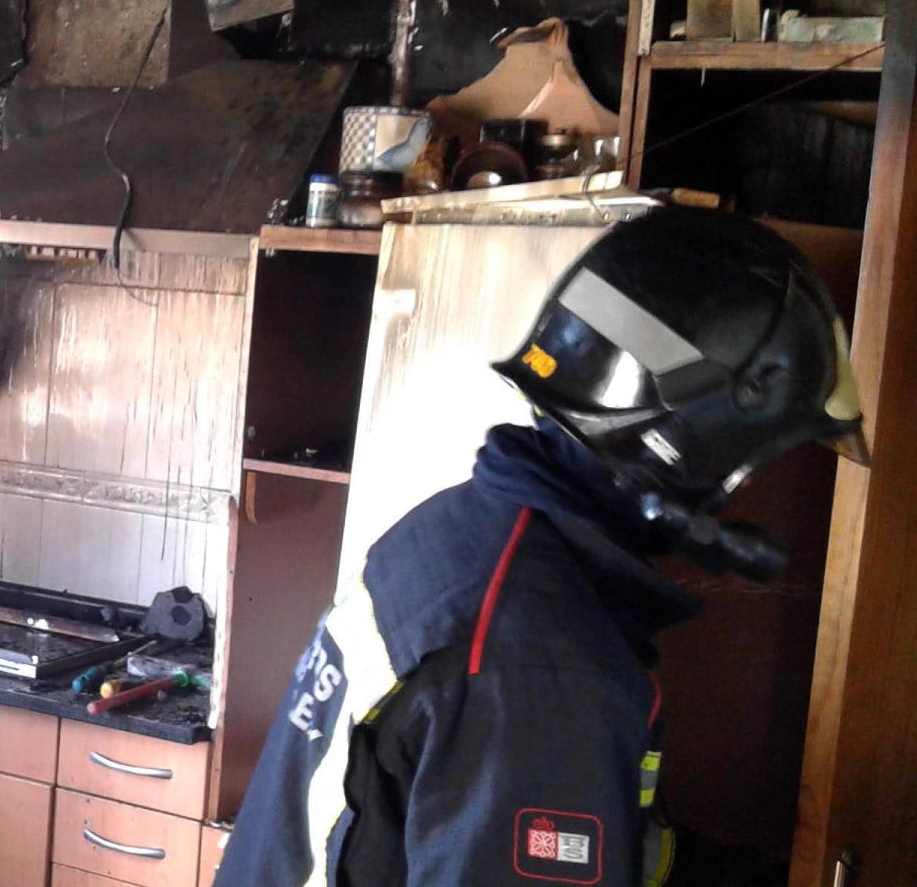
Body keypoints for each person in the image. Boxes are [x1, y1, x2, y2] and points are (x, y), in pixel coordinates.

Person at [213, 209, 866, 887]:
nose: (746, 491)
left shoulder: (461, 531)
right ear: (690, 444)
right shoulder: (544, 668)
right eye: (753, 463)